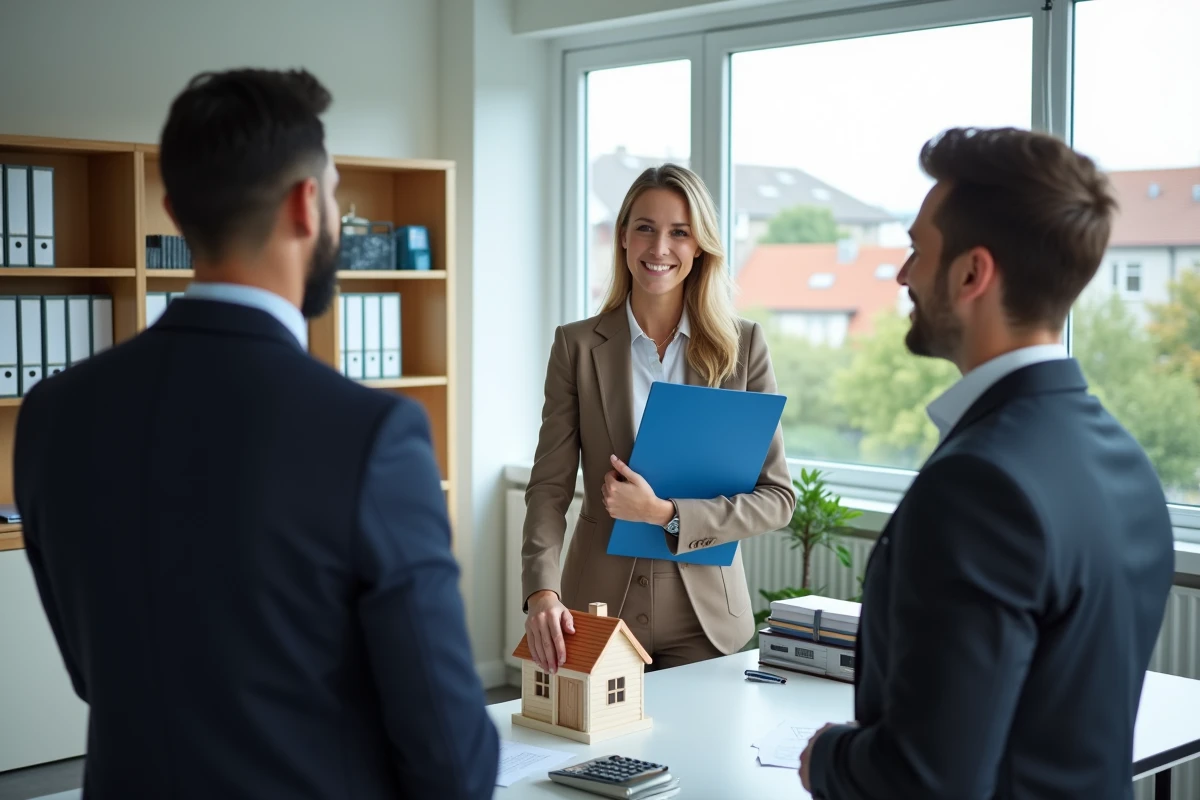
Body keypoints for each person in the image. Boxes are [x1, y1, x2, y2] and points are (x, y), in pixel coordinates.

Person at [12, 68, 498, 799]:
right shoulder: (373, 434)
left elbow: (94, 676)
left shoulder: (52, 414)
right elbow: (452, 762)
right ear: (309, 205)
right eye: (334, 193)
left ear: (175, 210)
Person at [799, 127, 1175, 800]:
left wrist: (827, 756)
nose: (902, 274)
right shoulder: (1124, 461)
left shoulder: (978, 486)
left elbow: (929, 780)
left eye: (917, 250)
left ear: (973, 273)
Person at [521, 164, 795, 674]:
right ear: (623, 236)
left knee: (699, 754)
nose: (659, 247)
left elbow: (777, 499)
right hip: (599, 608)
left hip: (705, 618)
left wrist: (665, 513)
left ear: (699, 247)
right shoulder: (577, 346)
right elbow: (548, 487)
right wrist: (542, 591)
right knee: (596, 753)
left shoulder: (743, 347)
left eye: (679, 232)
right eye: (645, 227)